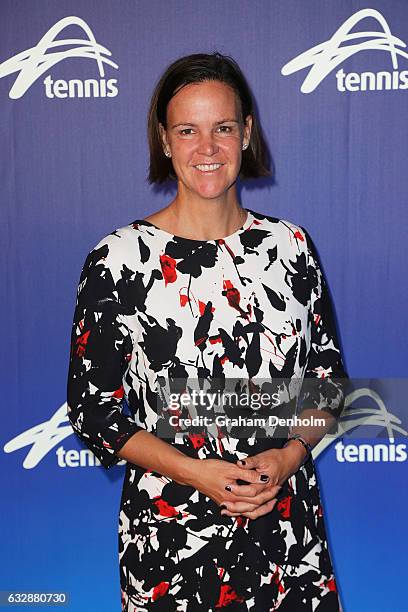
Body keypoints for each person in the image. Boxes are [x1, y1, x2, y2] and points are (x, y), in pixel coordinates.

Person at [67, 52, 349, 611]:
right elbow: (93, 410)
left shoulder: (291, 246)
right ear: (164, 140)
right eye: (188, 130)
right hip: (172, 543)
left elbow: (327, 380)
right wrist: (197, 473)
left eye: (222, 128)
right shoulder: (118, 260)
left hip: (288, 533)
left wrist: (289, 456)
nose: (207, 149)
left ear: (246, 133)